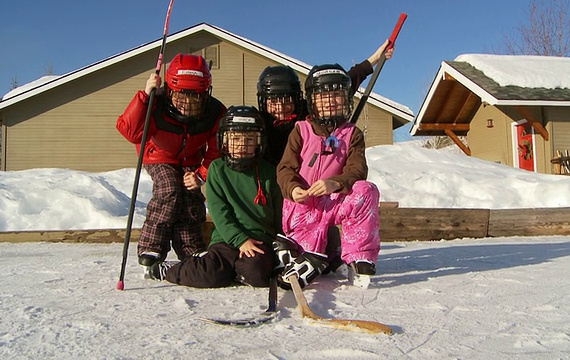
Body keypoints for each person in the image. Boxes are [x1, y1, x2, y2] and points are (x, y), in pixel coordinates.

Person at [275, 62, 385, 289]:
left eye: (336, 95)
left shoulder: (352, 133)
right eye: (323, 96)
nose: (330, 102)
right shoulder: (301, 130)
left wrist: (335, 183)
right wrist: (294, 189)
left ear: (346, 99)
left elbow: (357, 170)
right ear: (312, 100)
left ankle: (359, 256)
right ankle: (301, 250)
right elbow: (285, 168)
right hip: (304, 204)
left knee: (367, 190)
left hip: (333, 201)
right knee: (313, 258)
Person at [147, 105, 283, 288]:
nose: (242, 146)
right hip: (227, 240)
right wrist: (240, 240)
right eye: (235, 139)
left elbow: (280, 213)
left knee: (257, 274)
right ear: (224, 141)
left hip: (259, 240)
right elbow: (219, 212)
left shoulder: (269, 171)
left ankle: (236, 272)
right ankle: (171, 270)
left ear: (259, 142)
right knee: (209, 275)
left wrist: (281, 242)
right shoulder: (217, 169)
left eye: (249, 140)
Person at [116, 53, 226, 269]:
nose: (186, 104)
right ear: (169, 91)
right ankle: (152, 245)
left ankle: (190, 246)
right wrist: (145, 96)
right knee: (169, 189)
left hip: (191, 159)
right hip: (157, 155)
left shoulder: (214, 112)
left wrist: (202, 175)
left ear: (206, 94)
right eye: (180, 96)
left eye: (195, 98)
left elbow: (216, 148)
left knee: (191, 197)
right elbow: (130, 132)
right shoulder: (154, 104)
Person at [256, 38, 394, 167]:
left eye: (287, 100)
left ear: (297, 99)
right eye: (273, 101)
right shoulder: (258, 123)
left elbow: (341, 85)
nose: (280, 108)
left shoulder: (310, 112)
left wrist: (375, 58)